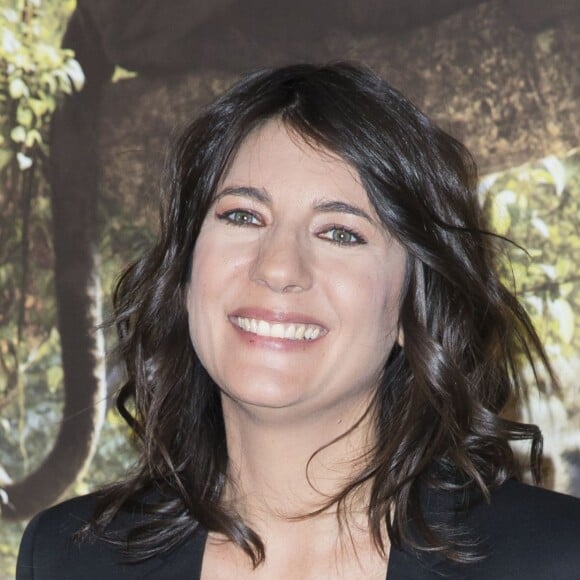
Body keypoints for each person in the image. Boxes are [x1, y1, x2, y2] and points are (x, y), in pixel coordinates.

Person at [16, 62, 580, 579]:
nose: (279, 267)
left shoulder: (553, 557)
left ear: (414, 305)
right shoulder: (68, 556)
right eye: (243, 215)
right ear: (186, 273)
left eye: (340, 233)